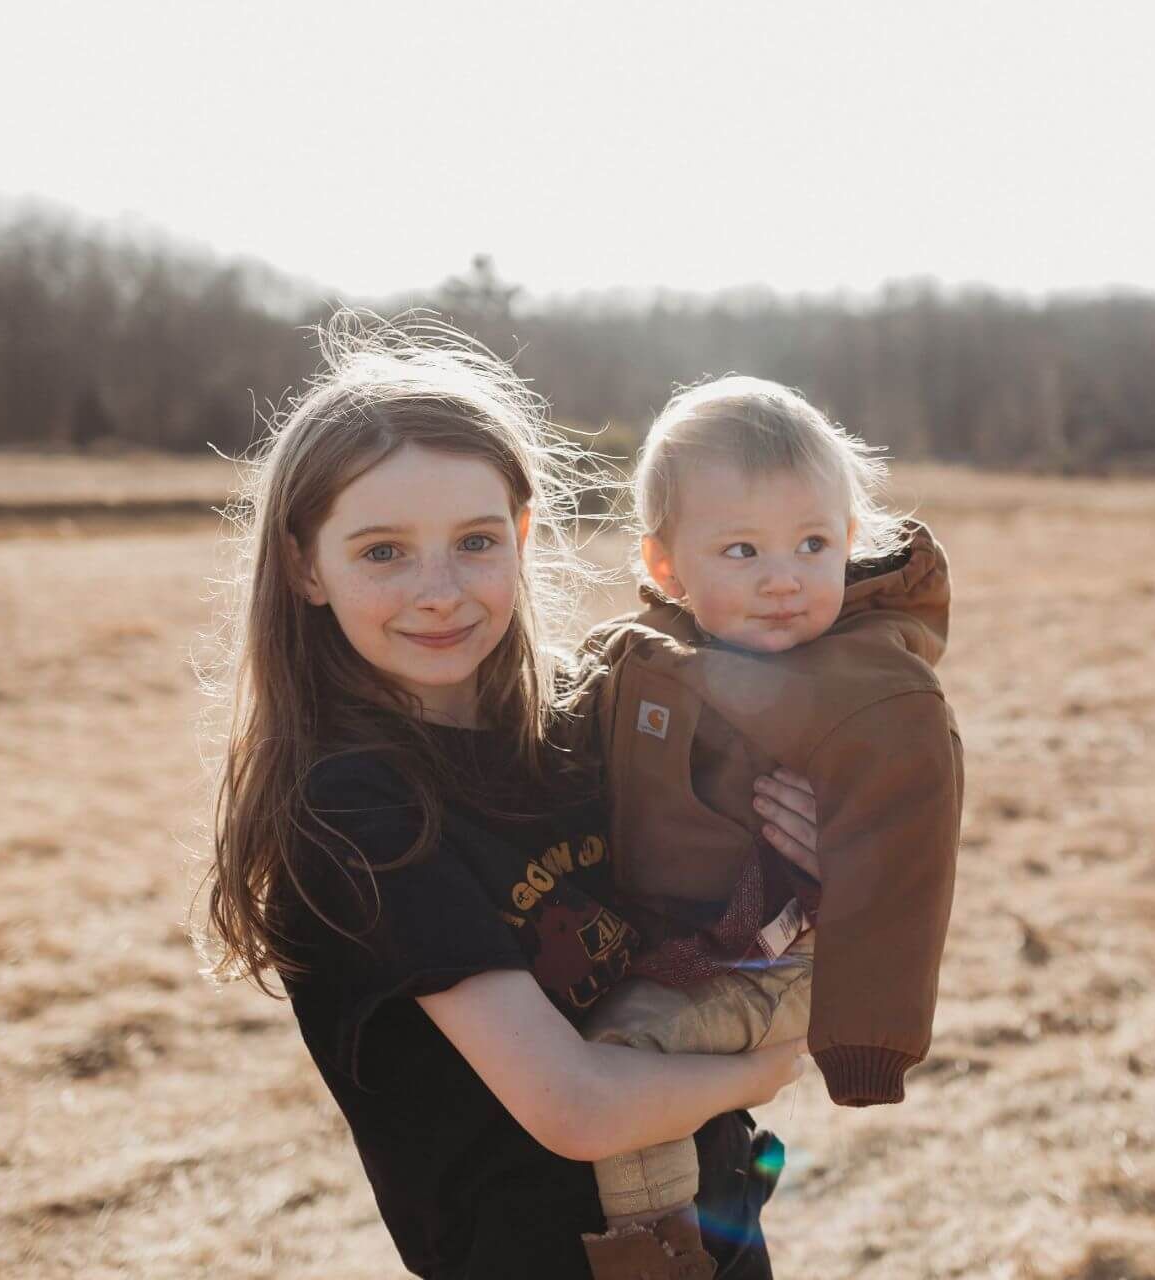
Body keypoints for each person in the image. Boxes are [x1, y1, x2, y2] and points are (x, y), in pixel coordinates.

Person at [198, 317, 819, 1279]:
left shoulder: (586, 730)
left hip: (720, 1230)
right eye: (383, 553)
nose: (440, 590)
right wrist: (762, 1067)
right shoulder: (355, 812)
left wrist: (806, 859)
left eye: (475, 541)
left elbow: (718, 928)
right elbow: (573, 1104)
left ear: (523, 537)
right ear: (301, 566)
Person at [570, 376, 963, 1246]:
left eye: (812, 544)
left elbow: (904, 868)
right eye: (742, 551)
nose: (784, 580)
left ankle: (656, 1253)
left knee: (622, 1053)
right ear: (665, 566)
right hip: (677, 942)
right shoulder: (643, 653)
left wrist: (866, 1043)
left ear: (851, 542)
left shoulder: (871, 689)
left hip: (779, 963)